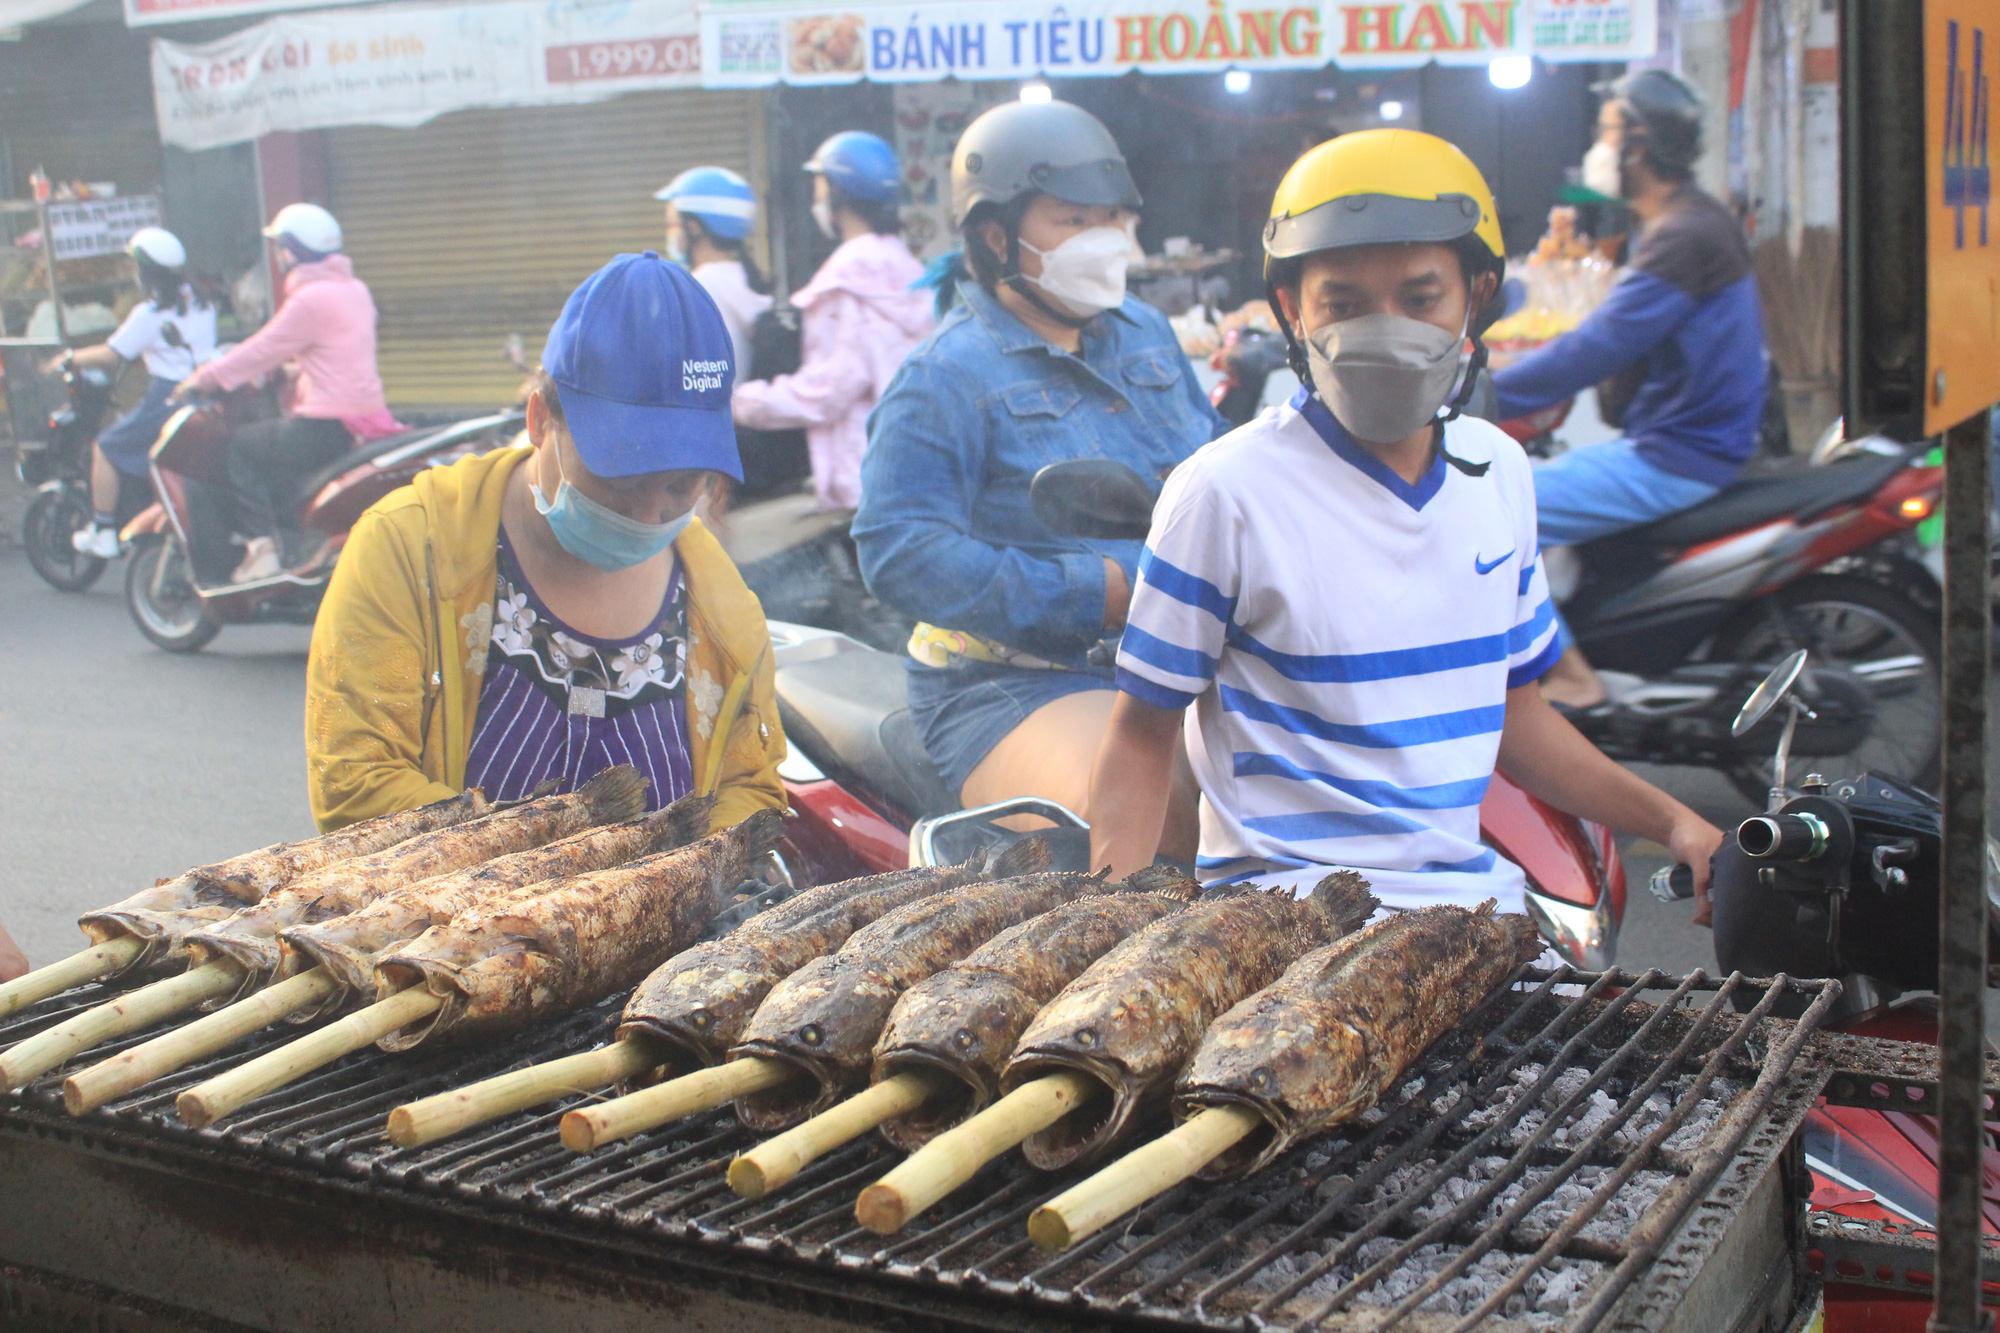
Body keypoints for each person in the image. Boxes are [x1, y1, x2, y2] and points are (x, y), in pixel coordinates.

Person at [1086, 129, 1727, 923]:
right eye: (1344, 304)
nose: (1384, 329)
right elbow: (1142, 737)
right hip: (1276, 924)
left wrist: (1672, 821)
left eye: (1420, 299)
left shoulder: (1499, 472)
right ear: (1293, 309)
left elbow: (1516, 717)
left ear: (1476, 295)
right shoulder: (1222, 494)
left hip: (1469, 921)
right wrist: (1108, 925)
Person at [302, 251, 786, 835]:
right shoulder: (411, 550)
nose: (650, 514)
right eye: (620, 480)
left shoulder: (722, 609)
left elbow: (749, 789)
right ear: (540, 422)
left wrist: (693, 873)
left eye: (684, 486)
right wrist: (587, 879)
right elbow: (356, 779)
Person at [854, 101, 1224, 847]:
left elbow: (1221, 475)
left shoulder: (1146, 334)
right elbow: (897, 551)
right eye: (1074, 221)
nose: (1108, 241)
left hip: (1180, 656)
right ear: (997, 237)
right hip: (1016, 681)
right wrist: (1100, 591)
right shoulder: (944, 375)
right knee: (1166, 819)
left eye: (1116, 218)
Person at [1492, 70, 1767, 709]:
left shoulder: (1682, 236)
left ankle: (1568, 675)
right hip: (1688, 440)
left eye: (1606, 130)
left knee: (1494, 513)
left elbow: (1594, 350)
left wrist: (1475, 394)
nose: (1598, 145)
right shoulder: (1688, 221)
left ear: (1638, 145)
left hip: (1677, 452)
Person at [173, 203, 401, 584]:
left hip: (321, 427)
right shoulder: (355, 290)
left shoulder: (310, 299)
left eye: (281, 247)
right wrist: (296, 370)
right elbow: (340, 350)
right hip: (359, 422)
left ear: (293, 251)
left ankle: (261, 548)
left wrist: (204, 379)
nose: (278, 256)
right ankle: (292, 543)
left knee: (237, 449)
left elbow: (261, 349)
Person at [732, 131, 932, 511]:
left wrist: (744, 404)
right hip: (917, 473)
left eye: (820, 184)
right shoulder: (908, 270)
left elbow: (826, 392)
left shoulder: (845, 280)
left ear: (839, 192)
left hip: (867, 483)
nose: (816, 197)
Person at [53, 227, 217, 559]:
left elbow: (114, 353)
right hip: (205, 393)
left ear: (147, 271)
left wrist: (68, 358)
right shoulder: (201, 302)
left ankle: (103, 531)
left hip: (168, 398)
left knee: (107, 447)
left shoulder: (150, 314)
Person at [657, 166, 773, 374]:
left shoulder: (697, 288)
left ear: (693, 228)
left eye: (671, 225)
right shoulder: (749, 282)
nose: (669, 233)